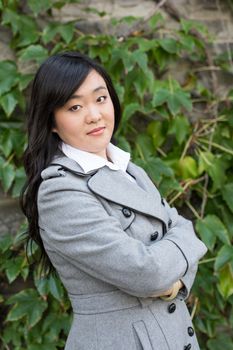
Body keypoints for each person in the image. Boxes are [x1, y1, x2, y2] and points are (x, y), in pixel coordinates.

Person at [21, 51, 207, 350]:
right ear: (52, 122)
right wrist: (173, 268)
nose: (94, 115)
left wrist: (175, 283)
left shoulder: (130, 169)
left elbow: (185, 227)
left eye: (100, 99)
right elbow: (147, 273)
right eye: (75, 106)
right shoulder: (60, 192)